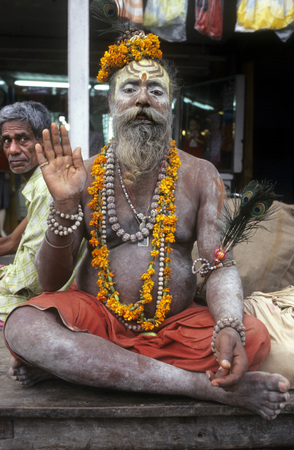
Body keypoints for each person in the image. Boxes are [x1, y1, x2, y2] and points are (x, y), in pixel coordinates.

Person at [4, 30, 290, 420]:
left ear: (170, 106)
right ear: (111, 103)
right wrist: (65, 203)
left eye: (156, 90)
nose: (143, 99)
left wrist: (228, 325)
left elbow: (220, 263)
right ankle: (201, 388)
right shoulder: (84, 175)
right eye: (130, 90)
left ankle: (83, 368)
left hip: (173, 327)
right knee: (24, 326)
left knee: (251, 337)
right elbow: (51, 282)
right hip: (98, 318)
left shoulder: (200, 174)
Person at [0, 101, 83, 326]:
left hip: (50, 298)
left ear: (43, 141)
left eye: (23, 139)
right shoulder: (38, 184)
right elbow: (12, 243)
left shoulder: (46, 187)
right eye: (7, 140)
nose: (13, 150)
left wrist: (5, 279)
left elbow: (34, 279)